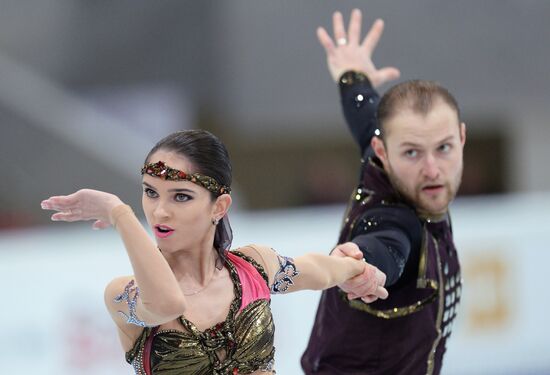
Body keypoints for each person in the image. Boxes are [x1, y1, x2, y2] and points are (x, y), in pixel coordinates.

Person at [41, 129, 388, 375]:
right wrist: (120, 214)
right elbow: (167, 304)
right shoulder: (124, 295)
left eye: (180, 196)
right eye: (150, 193)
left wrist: (357, 271)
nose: (160, 211)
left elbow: (318, 269)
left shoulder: (254, 266)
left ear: (219, 206)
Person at [301, 9, 466, 375]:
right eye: (412, 152)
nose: (432, 169)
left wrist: (352, 77)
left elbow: (366, 116)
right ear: (383, 153)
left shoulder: (386, 147)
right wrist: (363, 265)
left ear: (462, 138)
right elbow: (384, 244)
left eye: (443, 147)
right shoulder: (395, 218)